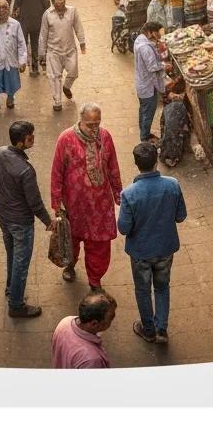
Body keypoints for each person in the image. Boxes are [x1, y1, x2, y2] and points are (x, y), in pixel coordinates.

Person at [117, 141, 188, 345]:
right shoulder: (172, 184)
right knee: (162, 287)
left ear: (136, 163)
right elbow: (181, 216)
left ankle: (148, 330)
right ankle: (162, 329)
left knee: (143, 290)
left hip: (141, 252)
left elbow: (123, 228)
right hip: (165, 248)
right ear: (156, 161)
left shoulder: (129, 194)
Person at [50, 103, 123, 292]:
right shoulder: (65, 139)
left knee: (99, 244)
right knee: (71, 239)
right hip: (74, 205)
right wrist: (56, 203)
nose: (94, 129)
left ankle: (95, 280)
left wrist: (118, 194)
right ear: (80, 121)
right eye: (90, 125)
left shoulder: (105, 137)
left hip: (100, 204)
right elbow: (57, 172)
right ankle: (70, 264)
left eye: (97, 124)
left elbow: (113, 167)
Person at [0, 120, 54, 319]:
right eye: (30, 137)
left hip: (3, 213)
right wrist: (48, 221)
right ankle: (16, 305)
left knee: (11, 253)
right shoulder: (26, 171)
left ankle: (11, 288)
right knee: (21, 262)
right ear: (20, 143)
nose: (33, 139)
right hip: (21, 221)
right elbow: (34, 203)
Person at [39, 0, 87, 111]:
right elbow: (43, 34)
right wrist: (42, 53)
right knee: (54, 76)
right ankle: (57, 101)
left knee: (73, 72)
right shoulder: (47, 14)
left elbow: (78, 27)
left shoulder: (72, 11)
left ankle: (66, 87)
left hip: (70, 50)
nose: (60, 1)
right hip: (53, 51)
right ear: (53, 1)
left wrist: (82, 42)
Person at [51, 292, 118, 369]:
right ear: (94, 324)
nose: (112, 320)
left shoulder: (65, 321)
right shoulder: (92, 361)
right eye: (111, 318)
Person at [133, 21, 167, 143]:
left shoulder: (140, 40)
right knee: (148, 111)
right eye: (157, 32)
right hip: (147, 86)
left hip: (141, 83)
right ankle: (144, 138)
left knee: (143, 110)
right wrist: (164, 65)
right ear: (150, 32)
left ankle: (144, 132)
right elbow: (152, 67)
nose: (159, 35)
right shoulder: (145, 48)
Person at [12, 0, 50, 76]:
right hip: (38, 25)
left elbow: (14, 12)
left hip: (24, 25)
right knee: (35, 45)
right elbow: (49, 11)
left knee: (23, 45)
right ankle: (35, 68)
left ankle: (23, 65)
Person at [158, 91, 191, 168]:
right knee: (177, 140)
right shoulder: (182, 106)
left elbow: (162, 122)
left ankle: (167, 157)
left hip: (168, 132)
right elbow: (185, 121)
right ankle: (174, 158)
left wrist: (163, 133)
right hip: (176, 132)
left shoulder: (166, 108)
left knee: (167, 141)